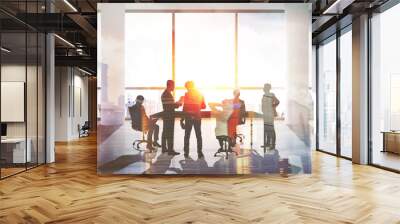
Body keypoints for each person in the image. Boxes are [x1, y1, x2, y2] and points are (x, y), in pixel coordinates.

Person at [181, 81, 206, 159]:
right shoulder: (200, 94)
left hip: (188, 118)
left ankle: (186, 152)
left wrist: (182, 119)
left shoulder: (186, 95)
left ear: (188, 87)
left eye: (187, 87)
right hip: (197, 117)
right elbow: (204, 106)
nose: (187, 89)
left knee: (187, 135)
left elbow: (184, 108)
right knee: (198, 135)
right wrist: (197, 107)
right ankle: (200, 152)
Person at [161, 80, 181, 155]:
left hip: (166, 115)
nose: (174, 87)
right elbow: (171, 106)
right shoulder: (167, 94)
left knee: (165, 132)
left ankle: (164, 148)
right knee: (169, 133)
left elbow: (169, 105)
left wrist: (176, 103)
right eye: (173, 85)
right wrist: (179, 102)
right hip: (169, 115)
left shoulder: (166, 93)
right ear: (170, 85)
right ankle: (170, 150)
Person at [262, 83, 280, 151]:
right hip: (265, 114)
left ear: (267, 88)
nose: (263, 88)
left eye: (264, 87)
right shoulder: (264, 95)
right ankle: (267, 143)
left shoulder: (271, 94)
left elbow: (277, 101)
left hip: (270, 114)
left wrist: (273, 106)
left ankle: (272, 144)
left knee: (271, 129)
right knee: (266, 129)